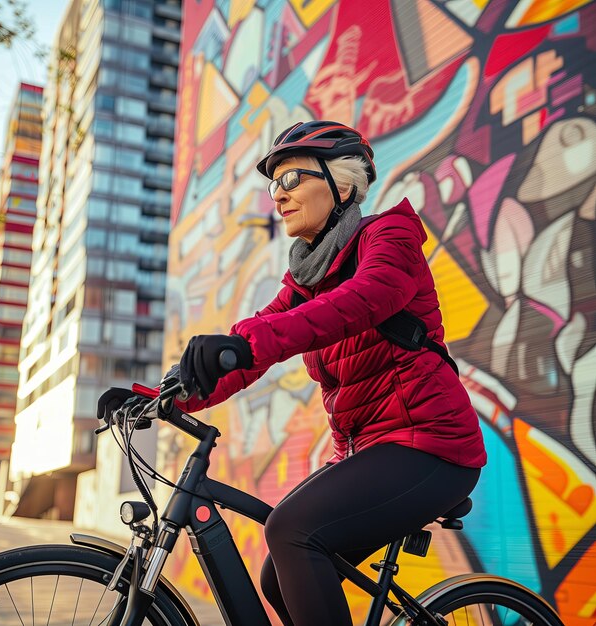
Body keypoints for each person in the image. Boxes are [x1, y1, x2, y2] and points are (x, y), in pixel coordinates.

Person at [99, 120, 487, 626]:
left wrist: (247, 342)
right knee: (276, 577)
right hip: (363, 452)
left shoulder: (389, 238)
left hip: (433, 448)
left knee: (292, 531)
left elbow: (362, 301)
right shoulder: (307, 277)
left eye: (291, 180)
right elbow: (252, 343)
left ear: (342, 184)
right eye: (273, 184)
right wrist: (161, 395)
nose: (277, 196)